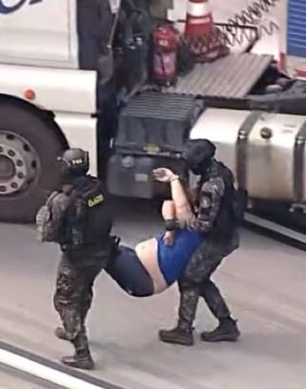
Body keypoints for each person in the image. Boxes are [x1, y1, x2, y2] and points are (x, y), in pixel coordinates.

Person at [158, 139, 243, 346]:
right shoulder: (218, 171)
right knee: (200, 278)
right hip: (224, 235)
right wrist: (175, 181)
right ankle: (226, 324)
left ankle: (184, 329)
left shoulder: (211, 187)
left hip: (218, 239)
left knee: (189, 278)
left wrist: (174, 225)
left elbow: (203, 225)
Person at [36, 148, 114, 370]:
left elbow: (49, 234)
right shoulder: (97, 188)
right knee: (84, 291)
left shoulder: (63, 199)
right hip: (101, 253)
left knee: (64, 300)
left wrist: (46, 211)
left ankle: (82, 352)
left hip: (76, 257)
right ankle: (75, 327)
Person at [106, 166, 204, 299]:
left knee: (99, 248)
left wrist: (173, 179)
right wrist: (170, 226)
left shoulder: (195, 227)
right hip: (136, 262)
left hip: (145, 278)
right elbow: (168, 205)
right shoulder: (181, 225)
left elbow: (182, 207)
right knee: (101, 247)